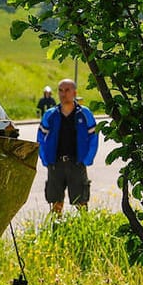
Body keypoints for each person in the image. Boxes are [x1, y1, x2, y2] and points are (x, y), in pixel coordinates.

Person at [36, 78, 98, 215]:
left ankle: (84, 228)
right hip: (55, 164)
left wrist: (87, 159)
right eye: (60, 90)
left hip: (77, 163)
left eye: (67, 90)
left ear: (74, 93)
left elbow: (94, 137)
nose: (63, 94)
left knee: (81, 202)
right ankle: (56, 229)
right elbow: (40, 138)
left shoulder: (84, 113)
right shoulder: (51, 115)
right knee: (56, 202)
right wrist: (45, 159)